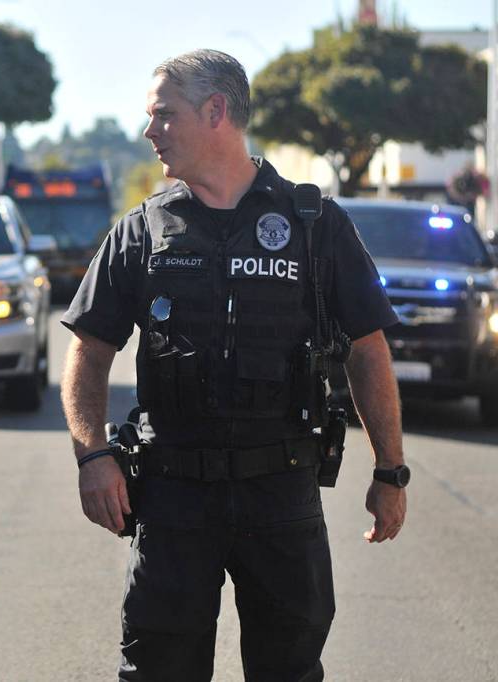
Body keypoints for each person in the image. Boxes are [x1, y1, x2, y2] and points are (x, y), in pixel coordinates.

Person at [60, 50, 408, 681]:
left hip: (280, 494)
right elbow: (88, 350)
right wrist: (92, 454)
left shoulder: (313, 223)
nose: (150, 131)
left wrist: (391, 470)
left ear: (216, 111)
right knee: (158, 669)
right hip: (172, 497)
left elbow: (367, 350)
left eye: (164, 114)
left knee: (289, 670)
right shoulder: (142, 231)